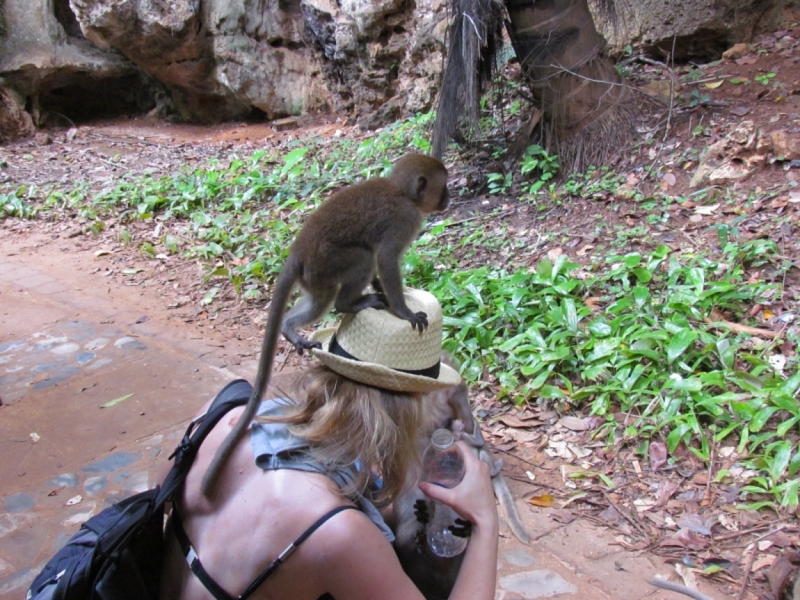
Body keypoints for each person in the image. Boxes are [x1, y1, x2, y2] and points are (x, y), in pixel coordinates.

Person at [159, 288, 499, 600]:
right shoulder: (341, 535)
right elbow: (318, 523)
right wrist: (485, 519)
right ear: (408, 412)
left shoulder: (219, 416)